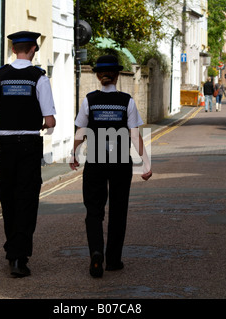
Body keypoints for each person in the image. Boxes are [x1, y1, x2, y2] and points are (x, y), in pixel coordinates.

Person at [69, 55, 152, 278]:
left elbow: (81, 132)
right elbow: (135, 136)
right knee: (118, 210)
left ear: (98, 76)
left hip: (95, 161)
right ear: (117, 76)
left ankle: (96, 252)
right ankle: (113, 260)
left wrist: (74, 153)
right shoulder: (128, 101)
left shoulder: (89, 100)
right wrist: (146, 163)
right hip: (120, 162)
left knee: (94, 211)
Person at [0, 31, 56, 278]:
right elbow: (50, 119)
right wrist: (44, 125)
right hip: (28, 145)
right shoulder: (39, 78)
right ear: (34, 49)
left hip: (4, 144)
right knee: (27, 199)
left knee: (8, 198)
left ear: (14, 50)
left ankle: (12, 249)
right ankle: (18, 257)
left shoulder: (0, 75)